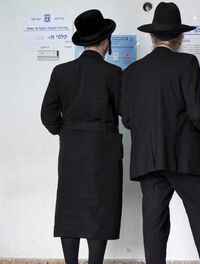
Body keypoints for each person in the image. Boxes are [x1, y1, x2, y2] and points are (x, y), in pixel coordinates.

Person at [120, 2, 200, 263]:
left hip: (148, 160)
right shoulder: (187, 63)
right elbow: (196, 112)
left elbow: (127, 119)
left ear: (151, 36)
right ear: (180, 37)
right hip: (187, 158)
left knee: (154, 226)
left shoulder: (131, 72)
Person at [40, 9, 122, 264]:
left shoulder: (61, 72)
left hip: (72, 150)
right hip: (104, 150)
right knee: (101, 208)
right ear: (106, 41)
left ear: (83, 42)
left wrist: (66, 130)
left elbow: (47, 115)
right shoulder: (114, 73)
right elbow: (126, 111)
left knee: (70, 208)